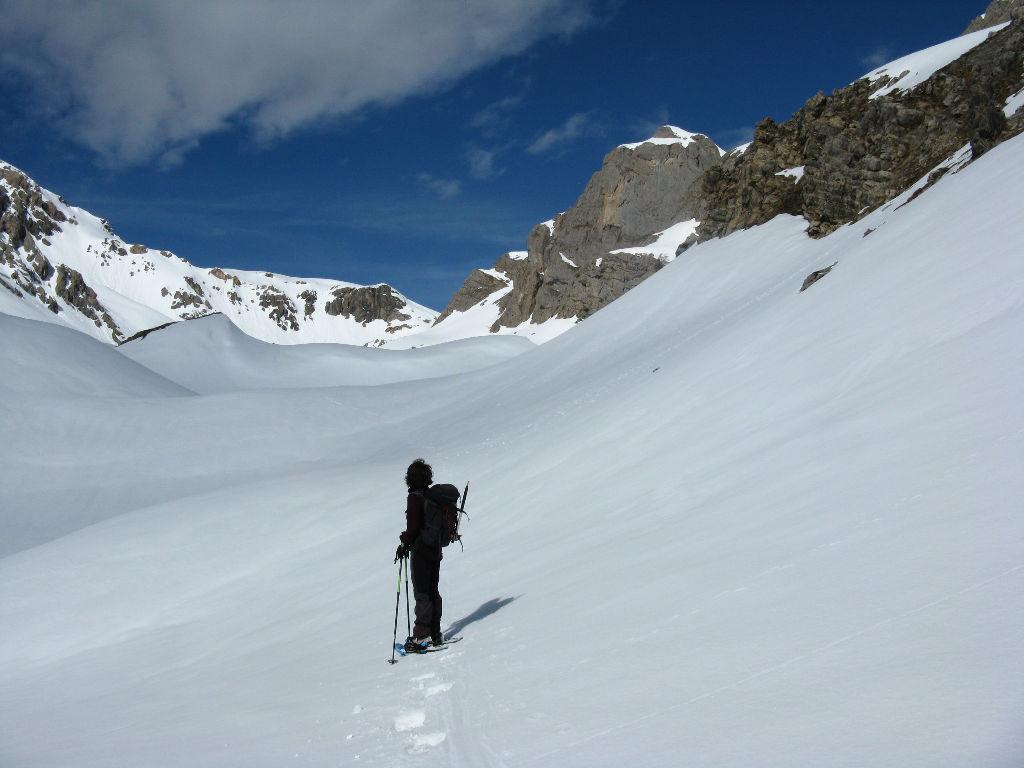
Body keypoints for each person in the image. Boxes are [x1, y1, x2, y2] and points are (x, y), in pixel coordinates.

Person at [395, 458, 444, 651]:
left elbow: (414, 526)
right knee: (432, 590)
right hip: (435, 549)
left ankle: (422, 636)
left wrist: (405, 540)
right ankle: (435, 633)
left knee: (422, 592)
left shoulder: (415, 497)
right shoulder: (432, 496)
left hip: (421, 550)